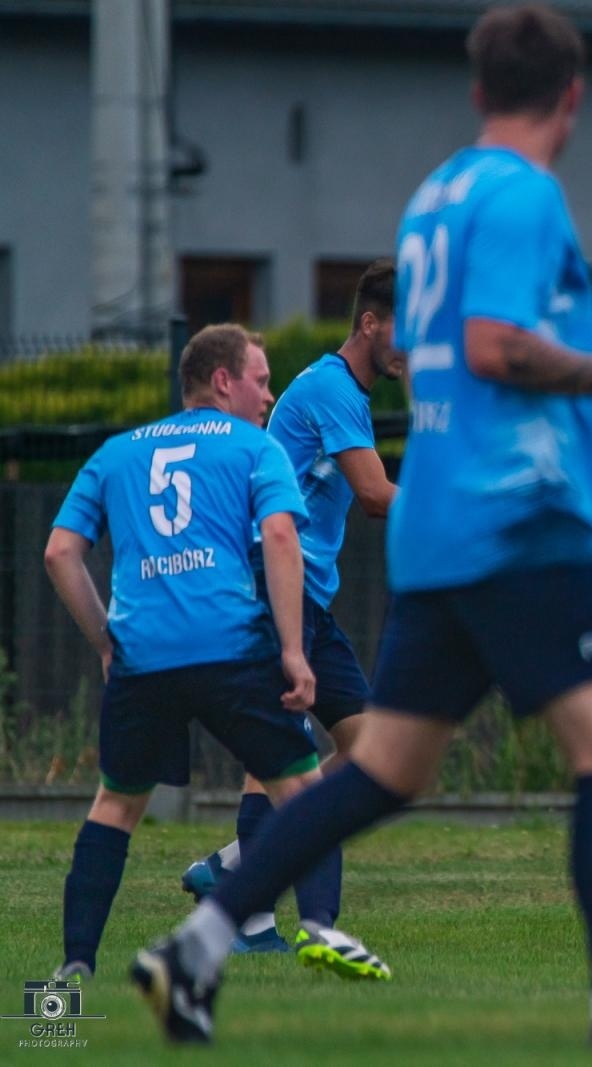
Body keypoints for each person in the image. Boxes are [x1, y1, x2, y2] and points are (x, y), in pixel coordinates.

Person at [132, 4, 592, 1047]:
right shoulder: (528, 193)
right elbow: (496, 348)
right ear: (572, 99)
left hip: (440, 525)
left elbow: (472, 337)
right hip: (521, 516)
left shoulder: (436, 197)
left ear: (478, 90)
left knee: (387, 768)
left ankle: (197, 946)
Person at [43, 324, 380, 984]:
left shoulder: (116, 453)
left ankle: (72, 969)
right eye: (260, 379)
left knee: (115, 807)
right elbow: (281, 537)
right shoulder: (255, 447)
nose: (269, 394)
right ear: (223, 380)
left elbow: (59, 551)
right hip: (230, 649)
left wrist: (106, 640)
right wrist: (291, 649)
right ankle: (318, 926)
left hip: (144, 658)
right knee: (303, 789)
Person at [179, 259, 402, 974]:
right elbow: (373, 493)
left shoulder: (348, 394)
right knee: (277, 753)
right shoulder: (332, 387)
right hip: (275, 588)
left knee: (369, 747)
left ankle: (236, 867)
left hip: (308, 593)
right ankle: (249, 914)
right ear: (370, 323)